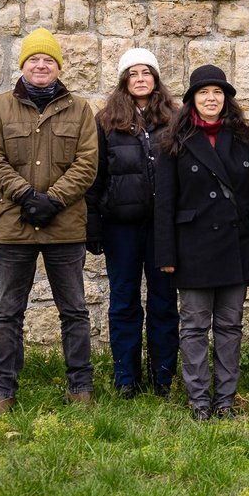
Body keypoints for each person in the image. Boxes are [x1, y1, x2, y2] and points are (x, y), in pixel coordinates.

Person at [0, 28, 99, 413]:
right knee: (8, 313)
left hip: (65, 227)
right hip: (14, 227)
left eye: (48, 60)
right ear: (23, 66)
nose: (41, 65)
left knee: (74, 311)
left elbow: (87, 163)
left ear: (58, 66)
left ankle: (80, 389)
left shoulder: (80, 109)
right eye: (34, 59)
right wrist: (27, 196)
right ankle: (3, 392)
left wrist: (54, 200)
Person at [155, 65, 249, 421]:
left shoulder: (243, 137)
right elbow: (164, 202)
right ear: (192, 100)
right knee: (196, 326)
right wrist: (166, 254)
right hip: (192, 248)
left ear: (226, 99)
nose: (211, 98)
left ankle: (225, 400)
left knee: (230, 326)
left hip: (234, 246)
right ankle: (199, 398)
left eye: (217, 92)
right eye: (203, 93)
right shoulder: (175, 141)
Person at [85, 47, 179, 399]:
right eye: (133, 74)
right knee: (124, 302)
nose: (140, 79)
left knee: (164, 303)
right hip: (120, 227)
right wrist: (92, 225)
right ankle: (126, 378)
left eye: (146, 73)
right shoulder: (106, 120)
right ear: (124, 81)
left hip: (162, 229)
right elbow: (95, 176)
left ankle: (163, 378)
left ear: (155, 79)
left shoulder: (174, 118)